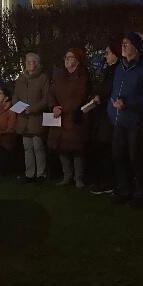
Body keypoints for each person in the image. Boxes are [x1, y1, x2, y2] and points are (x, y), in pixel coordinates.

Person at [109, 32, 143, 207]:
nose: (123, 46)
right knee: (119, 156)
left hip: (135, 121)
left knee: (136, 157)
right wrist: (111, 109)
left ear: (136, 47)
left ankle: (141, 194)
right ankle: (124, 190)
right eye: (123, 42)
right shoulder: (120, 68)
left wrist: (128, 104)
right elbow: (115, 91)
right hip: (118, 121)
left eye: (127, 43)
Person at [48, 48, 92, 188]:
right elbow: (51, 93)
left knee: (76, 148)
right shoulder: (59, 76)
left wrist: (64, 109)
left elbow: (80, 96)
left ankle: (78, 178)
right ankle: (67, 175)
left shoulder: (82, 76)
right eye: (66, 57)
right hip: (59, 117)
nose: (67, 59)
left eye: (70, 57)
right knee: (61, 147)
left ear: (77, 59)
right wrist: (54, 107)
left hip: (75, 117)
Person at [89, 40, 121, 194]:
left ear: (116, 54)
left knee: (106, 147)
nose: (105, 56)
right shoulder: (108, 70)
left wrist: (100, 96)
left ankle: (109, 182)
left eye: (107, 53)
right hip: (102, 113)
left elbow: (110, 90)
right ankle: (104, 180)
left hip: (110, 114)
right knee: (102, 147)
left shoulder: (118, 71)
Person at [13, 53, 50, 182]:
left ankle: (41, 174)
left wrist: (33, 109)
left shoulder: (43, 78)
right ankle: (29, 174)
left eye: (32, 61)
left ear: (37, 63)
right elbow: (15, 96)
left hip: (36, 118)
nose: (29, 64)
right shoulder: (20, 79)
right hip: (24, 119)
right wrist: (18, 107)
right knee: (27, 147)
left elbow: (46, 98)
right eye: (27, 61)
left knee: (38, 147)